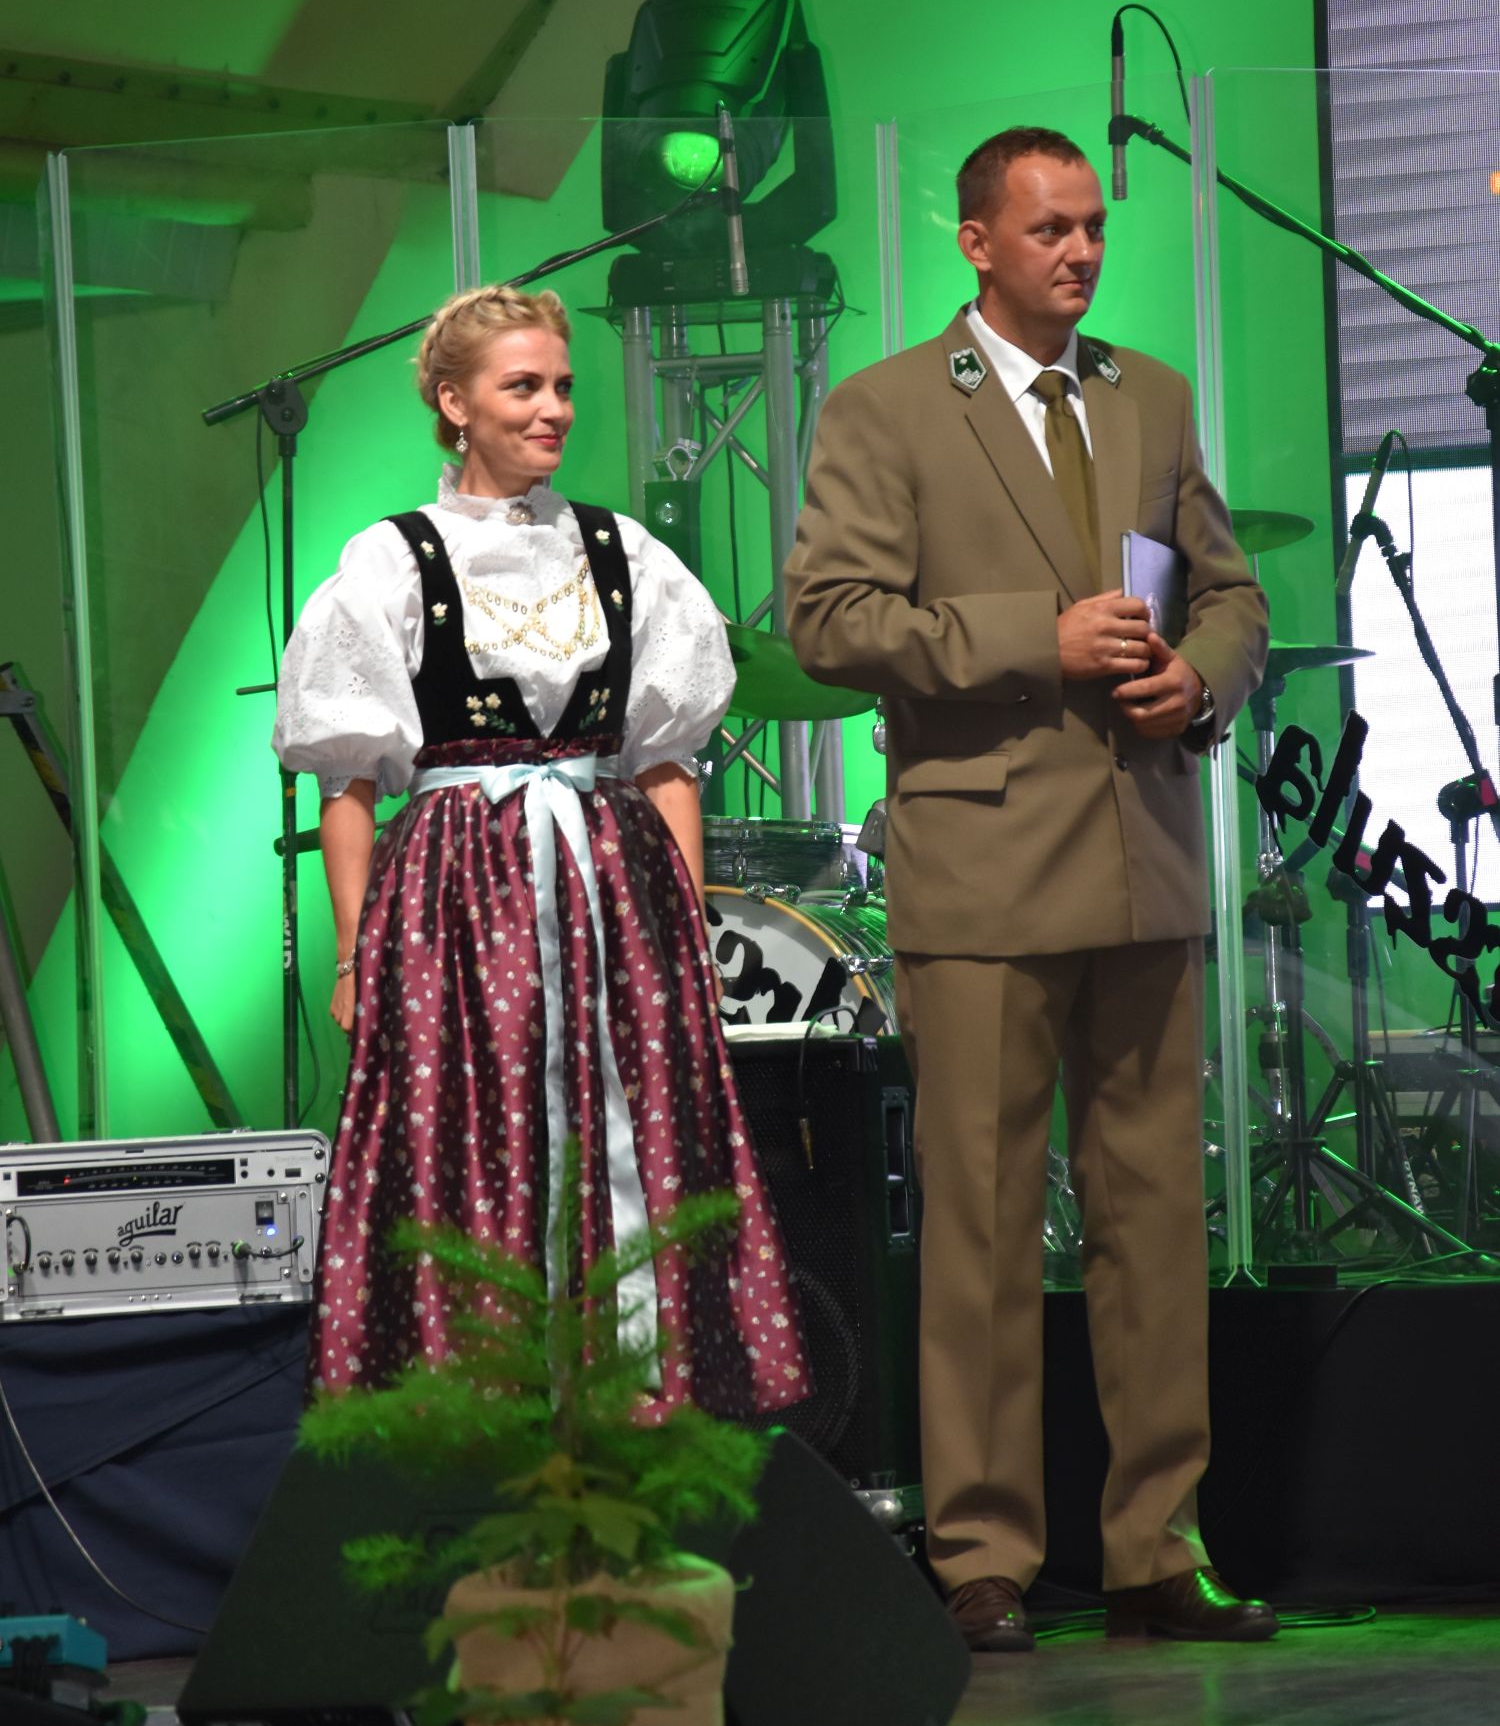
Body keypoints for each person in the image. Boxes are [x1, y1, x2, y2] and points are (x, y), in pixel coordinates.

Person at [785, 127, 1273, 1648]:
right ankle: (981, 1554)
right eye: (1051, 228)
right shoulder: (884, 409)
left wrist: (1200, 680)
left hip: (1144, 862)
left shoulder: (1150, 395)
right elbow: (827, 618)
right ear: (977, 242)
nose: (1080, 252)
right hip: (984, 874)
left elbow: (1232, 589)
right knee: (985, 1229)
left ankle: (1155, 1547)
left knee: (1156, 1225)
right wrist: (1030, 641)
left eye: (1094, 228)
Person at [274, 283, 806, 1415]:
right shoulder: (392, 561)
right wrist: (356, 954)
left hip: (612, 886)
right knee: (472, 1129)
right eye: (523, 386)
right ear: (453, 402)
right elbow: (348, 782)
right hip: (458, 897)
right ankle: (482, 1401)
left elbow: (666, 764)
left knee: (635, 1126)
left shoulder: (622, 551)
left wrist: (688, 931)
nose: (554, 408)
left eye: (562, 385)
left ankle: (644, 1394)